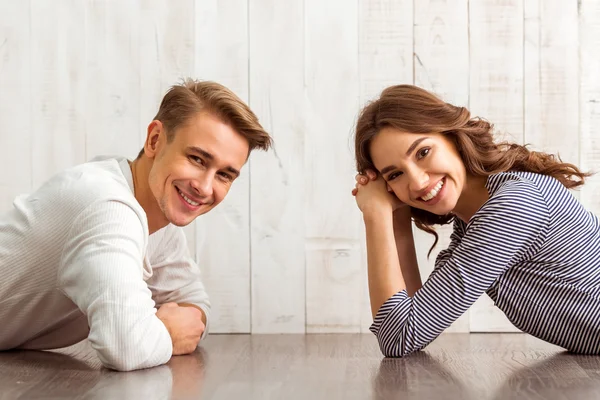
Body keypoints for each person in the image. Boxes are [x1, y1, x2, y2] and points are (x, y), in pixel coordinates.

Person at [0, 79, 272, 371]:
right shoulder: (108, 208)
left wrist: (180, 322)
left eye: (225, 175)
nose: (205, 188)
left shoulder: (154, 209)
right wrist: (169, 332)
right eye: (197, 159)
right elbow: (125, 346)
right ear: (155, 140)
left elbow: (192, 302)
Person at [352, 84, 600, 357]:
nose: (418, 181)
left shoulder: (512, 207)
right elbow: (407, 324)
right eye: (395, 175)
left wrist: (374, 215)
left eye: (423, 152)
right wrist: (395, 215)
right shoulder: (470, 227)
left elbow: (398, 336)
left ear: (453, 138)